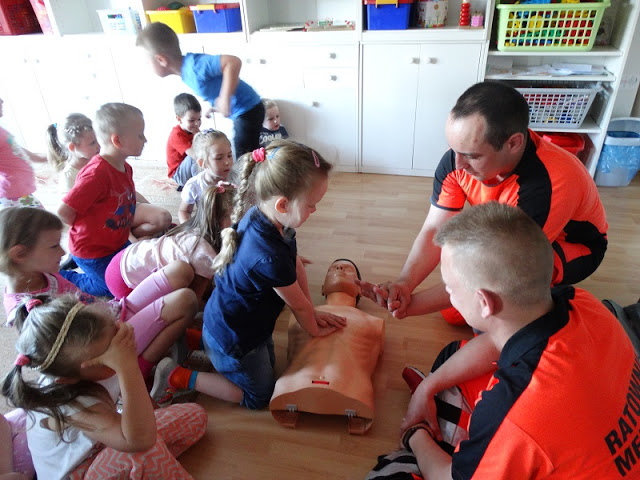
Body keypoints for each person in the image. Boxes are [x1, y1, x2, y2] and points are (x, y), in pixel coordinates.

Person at [367, 202, 638, 480]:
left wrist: (415, 434)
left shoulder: (516, 407)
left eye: (449, 287)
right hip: (584, 433)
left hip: (531, 427)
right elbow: (495, 343)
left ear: (484, 303)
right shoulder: (584, 303)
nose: (448, 294)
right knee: (454, 358)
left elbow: (449, 477)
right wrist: (427, 387)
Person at [360, 81, 608, 325]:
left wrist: (410, 306)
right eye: (454, 149)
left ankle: (555, 309)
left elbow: (501, 263)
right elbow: (436, 229)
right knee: (456, 312)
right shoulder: (456, 161)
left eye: (472, 155)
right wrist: (404, 284)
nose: (458, 164)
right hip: (502, 233)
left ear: (513, 143)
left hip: (567, 247)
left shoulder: (549, 183)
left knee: (497, 303)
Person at [149, 140, 347, 410]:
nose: (315, 210)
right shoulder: (269, 257)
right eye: (312, 204)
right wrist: (313, 327)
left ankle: (198, 341)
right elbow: (297, 304)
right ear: (283, 204)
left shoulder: (264, 216)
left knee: (269, 364)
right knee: (259, 397)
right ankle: (177, 375)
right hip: (235, 339)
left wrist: (312, 311)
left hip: (230, 323)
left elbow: (294, 266)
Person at [1, 295, 207, 480]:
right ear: (69, 379)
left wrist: (149, 416)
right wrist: (128, 366)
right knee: (145, 451)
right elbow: (140, 441)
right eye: (113, 351)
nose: (122, 348)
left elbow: (141, 411)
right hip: (81, 471)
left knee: (194, 415)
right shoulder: (69, 404)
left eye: (116, 332)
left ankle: (146, 469)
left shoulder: (99, 358)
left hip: (107, 442)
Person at [0, 206, 198, 384]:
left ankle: (167, 334)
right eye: (54, 246)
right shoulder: (25, 310)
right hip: (111, 342)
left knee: (180, 270)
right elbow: (62, 359)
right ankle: (136, 371)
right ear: (20, 254)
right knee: (185, 301)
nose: (63, 252)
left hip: (113, 311)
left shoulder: (41, 272)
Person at [57, 103, 171, 297]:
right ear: (117, 140)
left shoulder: (125, 167)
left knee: (136, 277)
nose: (145, 140)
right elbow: (64, 212)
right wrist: (89, 231)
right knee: (113, 290)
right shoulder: (96, 174)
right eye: (140, 135)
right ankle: (61, 276)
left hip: (116, 243)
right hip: (93, 252)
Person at [270, 259, 384, 434]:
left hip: (352, 392)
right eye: (332, 269)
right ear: (323, 288)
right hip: (291, 387)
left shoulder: (374, 322)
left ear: (359, 289)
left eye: (348, 270)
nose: (339, 268)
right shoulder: (298, 316)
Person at [136, 22, 264, 160]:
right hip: (245, 111)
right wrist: (215, 106)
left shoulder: (195, 66)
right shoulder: (187, 74)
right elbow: (216, 85)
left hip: (249, 111)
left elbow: (233, 62)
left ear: (161, 60)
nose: (147, 66)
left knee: (244, 160)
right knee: (247, 156)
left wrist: (225, 98)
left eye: (147, 62)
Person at [106, 183, 234, 301]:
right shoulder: (204, 253)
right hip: (125, 282)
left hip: (124, 258)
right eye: (237, 216)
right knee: (183, 302)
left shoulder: (194, 228)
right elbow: (194, 299)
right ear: (221, 220)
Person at [0, 96, 47, 209]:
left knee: (41, 218)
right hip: (14, 194)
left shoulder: (2, 132)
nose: (2, 101)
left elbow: (17, 151)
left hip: (20, 192)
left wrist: (44, 159)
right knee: (42, 219)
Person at [178, 129, 233, 223]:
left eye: (229, 155)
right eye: (219, 158)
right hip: (207, 227)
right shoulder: (194, 185)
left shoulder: (237, 179)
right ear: (202, 163)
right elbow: (184, 211)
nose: (227, 162)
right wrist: (189, 229)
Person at [46, 113, 100, 194]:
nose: (99, 145)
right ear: (72, 147)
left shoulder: (101, 159)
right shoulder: (69, 178)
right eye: (92, 143)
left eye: (98, 139)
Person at [167, 93, 201, 190]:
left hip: (187, 168)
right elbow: (195, 154)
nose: (197, 123)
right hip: (178, 174)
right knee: (197, 157)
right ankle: (198, 185)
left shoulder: (192, 129)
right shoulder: (177, 135)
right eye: (192, 120)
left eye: (199, 119)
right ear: (179, 119)